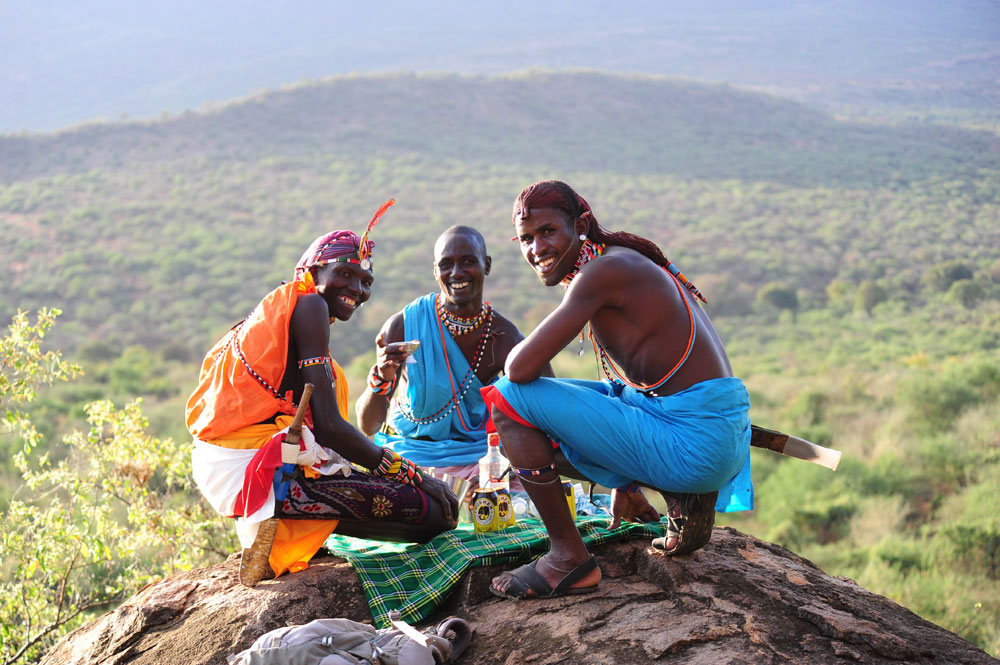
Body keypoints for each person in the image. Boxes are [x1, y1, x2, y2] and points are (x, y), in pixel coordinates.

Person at [483, 180, 753, 600]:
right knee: (571, 408)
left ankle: (566, 559)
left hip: (694, 443)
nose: (536, 248)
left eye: (548, 231)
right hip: (715, 432)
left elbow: (518, 370)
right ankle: (660, 491)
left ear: (582, 224)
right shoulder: (620, 262)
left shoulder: (602, 273)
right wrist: (623, 483)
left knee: (506, 399)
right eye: (525, 239)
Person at [186, 201, 458, 586]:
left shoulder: (287, 311)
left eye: (366, 281)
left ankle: (303, 525)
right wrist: (414, 476)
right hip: (257, 473)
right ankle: (299, 519)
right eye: (345, 273)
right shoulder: (308, 303)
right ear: (313, 272)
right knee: (436, 513)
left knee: (423, 504)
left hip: (244, 468)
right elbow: (330, 429)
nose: (357, 289)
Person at [355, 225, 536, 485]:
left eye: (468, 262)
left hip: (480, 462)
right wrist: (381, 377)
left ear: (487, 265)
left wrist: (497, 468)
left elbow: (537, 415)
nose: (456, 273)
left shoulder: (506, 338)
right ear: (435, 271)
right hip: (407, 463)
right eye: (446, 264)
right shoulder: (404, 326)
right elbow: (368, 426)